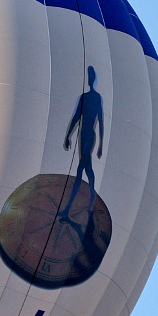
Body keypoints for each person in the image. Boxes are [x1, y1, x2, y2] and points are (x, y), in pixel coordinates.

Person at [59, 66, 104, 220]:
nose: (90, 80)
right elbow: (76, 117)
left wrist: (100, 145)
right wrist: (68, 135)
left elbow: (101, 122)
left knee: (80, 170)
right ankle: (91, 199)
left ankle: (69, 208)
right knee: (87, 167)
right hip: (82, 135)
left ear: (94, 80)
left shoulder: (96, 98)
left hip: (89, 135)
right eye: (89, 77)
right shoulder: (84, 97)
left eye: (92, 77)